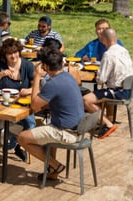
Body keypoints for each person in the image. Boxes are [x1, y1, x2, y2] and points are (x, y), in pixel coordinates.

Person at [16, 48, 85, 181]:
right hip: (78, 128)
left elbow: (35, 106)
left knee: (22, 137)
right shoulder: (67, 76)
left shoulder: (53, 83)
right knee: (48, 131)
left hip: (66, 132)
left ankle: (55, 165)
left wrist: (36, 77)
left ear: (45, 66)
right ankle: (52, 171)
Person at [0, 38, 35, 161]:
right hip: (2, 104)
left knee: (30, 123)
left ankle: (16, 143)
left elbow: (36, 87)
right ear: (5, 55)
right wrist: (0, 75)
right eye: (9, 53)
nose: (13, 56)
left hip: (22, 103)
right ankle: (12, 141)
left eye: (15, 52)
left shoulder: (27, 65)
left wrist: (28, 90)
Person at [83, 28, 131, 138]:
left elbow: (101, 79)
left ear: (104, 40)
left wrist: (98, 72)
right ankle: (101, 121)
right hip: (128, 89)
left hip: (118, 91)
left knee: (86, 100)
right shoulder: (124, 50)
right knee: (95, 95)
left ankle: (108, 124)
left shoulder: (108, 54)